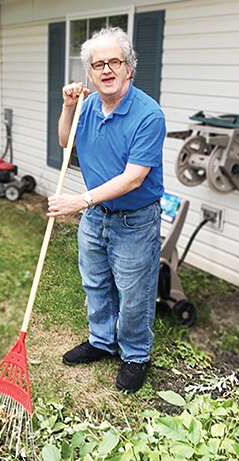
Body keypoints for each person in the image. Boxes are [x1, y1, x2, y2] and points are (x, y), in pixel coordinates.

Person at [48, 27, 164, 393]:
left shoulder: (149, 115)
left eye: (115, 62)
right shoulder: (86, 106)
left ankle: (135, 354)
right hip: (96, 215)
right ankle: (101, 341)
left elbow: (133, 178)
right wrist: (68, 108)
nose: (107, 70)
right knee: (95, 283)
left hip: (135, 218)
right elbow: (66, 141)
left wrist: (79, 200)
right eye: (98, 64)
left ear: (130, 68)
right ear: (90, 72)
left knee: (134, 292)